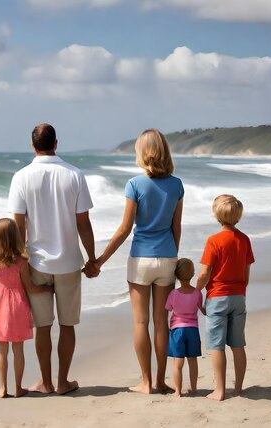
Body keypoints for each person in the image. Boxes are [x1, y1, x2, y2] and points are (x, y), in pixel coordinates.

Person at [90, 128, 183, 394]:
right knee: (161, 323)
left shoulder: (135, 184)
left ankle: (145, 382)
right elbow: (177, 227)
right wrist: (172, 256)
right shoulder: (176, 185)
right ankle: (161, 381)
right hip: (166, 256)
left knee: (141, 323)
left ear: (142, 152)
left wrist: (99, 261)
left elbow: (124, 229)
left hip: (141, 258)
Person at [8, 123, 96, 395]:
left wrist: (19, 261)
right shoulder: (74, 174)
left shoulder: (21, 177)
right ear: (56, 143)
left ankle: (45, 382)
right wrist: (92, 259)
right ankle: (62, 382)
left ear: (32, 146)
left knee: (43, 326)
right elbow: (84, 223)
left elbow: (18, 226)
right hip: (69, 262)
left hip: (36, 263)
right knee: (67, 324)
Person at [196, 194, 255, 401]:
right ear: (239, 215)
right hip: (238, 296)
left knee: (216, 345)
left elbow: (205, 273)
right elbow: (246, 274)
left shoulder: (213, 241)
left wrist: (197, 291)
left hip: (217, 297)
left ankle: (219, 390)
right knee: (238, 344)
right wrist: (239, 289)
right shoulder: (244, 239)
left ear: (216, 215)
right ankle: (238, 388)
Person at [0, 218, 54, 398]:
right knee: (18, 350)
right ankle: (18, 388)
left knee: (2, 350)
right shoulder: (21, 262)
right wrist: (47, 288)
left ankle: (3, 388)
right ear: (15, 237)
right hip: (17, 306)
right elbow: (30, 287)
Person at [165, 258, 205, 397]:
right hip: (193, 330)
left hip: (177, 330)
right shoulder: (197, 293)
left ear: (176, 275)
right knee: (192, 360)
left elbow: (168, 308)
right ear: (193, 273)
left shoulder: (173, 294)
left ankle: (178, 391)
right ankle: (193, 389)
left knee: (178, 362)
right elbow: (203, 310)